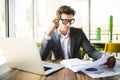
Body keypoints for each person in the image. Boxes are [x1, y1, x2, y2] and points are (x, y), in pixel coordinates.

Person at [40, 5, 116, 68]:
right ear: (57, 20)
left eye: (71, 21)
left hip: (77, 68)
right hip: (59, 67)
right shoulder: (51, 35)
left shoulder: (78, 33)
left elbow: (91, 51)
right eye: (65, 21)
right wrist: (48, 32)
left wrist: (104, 57)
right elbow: (41, 57)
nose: (69, 24)